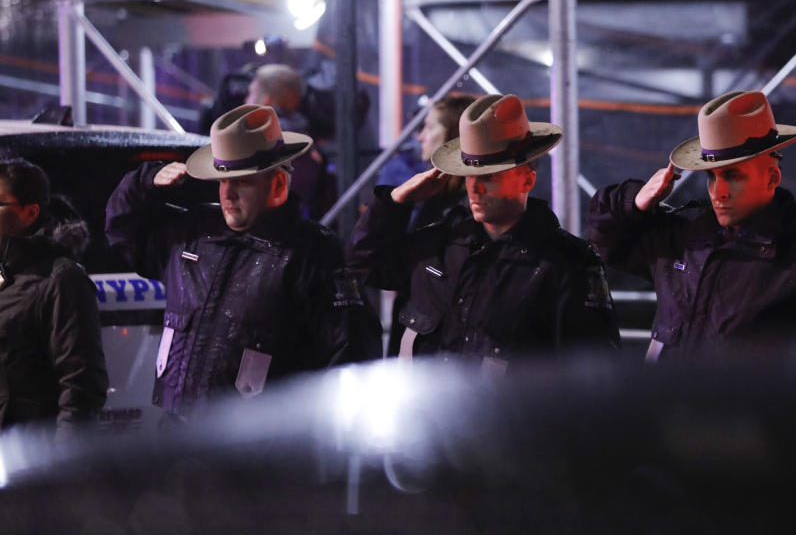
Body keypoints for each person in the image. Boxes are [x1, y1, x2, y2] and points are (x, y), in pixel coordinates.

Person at [106, 105, 381, 422]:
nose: (228, 193)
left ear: (277, 186)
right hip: (181, 439)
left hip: (260, 452)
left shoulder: (312, 254)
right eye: (223, 180)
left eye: (242, 181)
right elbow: (122, 232)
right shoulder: (191, 235)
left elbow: (351, 353)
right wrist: (145, 181)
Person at [587, 90, 796, 362]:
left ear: (772, 178)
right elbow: (605, 242)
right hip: (669, 413)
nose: (719, 191)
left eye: (734, 176)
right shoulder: (684, 236)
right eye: (712, 176)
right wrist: (634, 202)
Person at [348, 94, 620, 366]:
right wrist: (394, 202)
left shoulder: (566, 263)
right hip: (428, 408)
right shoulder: (439, 245)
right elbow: (364, 263)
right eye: (469, 176)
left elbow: (591, 372)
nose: (474, 189)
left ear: (527, 178)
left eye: (489, 177)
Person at [0, 158, 107, 435]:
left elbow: (81, 386)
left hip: (29, 456)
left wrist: (59, 467)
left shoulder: (61, 279)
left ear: (30, 212)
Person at [379, 95, 475, 356]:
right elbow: (374, 266)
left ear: (454, 136)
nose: (420, 137)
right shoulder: (434, 200)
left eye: (429, 127)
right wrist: (395, 203)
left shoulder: (463, 210)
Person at [245, 64, 337, 218]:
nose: (245, 99)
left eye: (250, 94)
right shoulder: (304, 134)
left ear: (266, 101)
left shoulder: (262, 137)